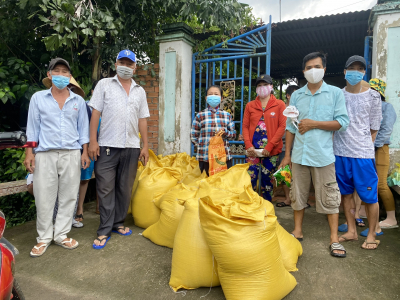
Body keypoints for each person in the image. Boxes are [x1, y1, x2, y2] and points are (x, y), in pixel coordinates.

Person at [279, 52, 349, 258]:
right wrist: (287, 155)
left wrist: (313, 123)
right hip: (300, 155)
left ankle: (334, 239)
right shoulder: (297, 96)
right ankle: (297, 231)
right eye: (308, 68)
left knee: (330, 197)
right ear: (303, 71)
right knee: (297, 194)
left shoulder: (335, 93)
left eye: (316, 66)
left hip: (323, 156)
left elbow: (342, 123)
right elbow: (290, 128)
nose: (312, 71)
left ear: (324, 69)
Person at [24, 58, 90, 257]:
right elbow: (32, 128)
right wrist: (29, 153)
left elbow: (83, 130)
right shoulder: (38, 98)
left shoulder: (78, 101)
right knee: (43, 195)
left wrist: (85, 152)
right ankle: (43, 238)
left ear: (69, 77)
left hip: (71, 153)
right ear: (49, 75)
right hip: (45, 153)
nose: (61, 75)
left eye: (65, 72)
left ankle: (61, 235)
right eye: (57, 71)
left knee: (69, 195)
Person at [88, 50, 150, 249]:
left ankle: (118, 223)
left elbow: (143, 120)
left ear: (134, 67)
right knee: (105, 188)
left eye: (129, 63)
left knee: (124, 188)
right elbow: (95, 113)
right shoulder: (104, 85)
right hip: (106, 145)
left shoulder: (140, 91)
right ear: (116, 64)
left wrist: (146, 145)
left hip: (131, 147)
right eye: (122, 62)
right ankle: (104, 229)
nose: (125, 66)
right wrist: (92, 141)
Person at [333, 55, 382, 250]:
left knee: (370, 197)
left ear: (364, 72)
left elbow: (375, 126)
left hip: (362, 155)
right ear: (345, 72)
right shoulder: (338, 95)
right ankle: (352, 230)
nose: (355, 71)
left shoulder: (373, 95)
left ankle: (371, 234)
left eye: (359, 68)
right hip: (340, 152)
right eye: (351, 68)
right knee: (345, 194)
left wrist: (364, 145)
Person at [43, 75, 88, 228]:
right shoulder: (43, 101)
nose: (69, 89)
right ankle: (52, 222)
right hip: (48, 152)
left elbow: (83, 130)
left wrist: (85, 151)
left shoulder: (79, 104)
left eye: (72, 88)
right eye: (70, 87)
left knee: (71, 188)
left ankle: (68, 220)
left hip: (72, 150)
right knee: (52, 189)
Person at [242, 74, 286, 201]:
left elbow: (282, 127)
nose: (262, 88)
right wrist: (248, 145)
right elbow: (245, 126)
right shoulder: (250, 105)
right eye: (259, 85)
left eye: (265, 85)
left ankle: (267, 206)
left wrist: (269, 146)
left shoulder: (279, 104)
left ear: (271, 86)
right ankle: (250, 206)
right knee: (250, 179)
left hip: (270, 151)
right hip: (252, 150)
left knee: (268, 181)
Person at [370, 78, 397, 230]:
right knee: (366, 182)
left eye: (373, 91)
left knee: (381, 184)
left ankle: (391, 218)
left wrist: (373, 144)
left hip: (380, 148)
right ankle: (364, 211)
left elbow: (386, 130)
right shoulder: (368, 107)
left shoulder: (387, 107)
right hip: (368, 149)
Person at [190, 85, 236, 176]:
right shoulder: (200, 115)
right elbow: (193, 135)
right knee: (206, 185)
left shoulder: (226, 115)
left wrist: (225, 132)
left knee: (223, 184)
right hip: (205, 157)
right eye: (210, 94)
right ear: (206, 98)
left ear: (221, 98)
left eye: (216, 94)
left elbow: (233, 135)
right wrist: (202, 146)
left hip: (223, 158)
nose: (213, 96)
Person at [75, 80, 101, 225]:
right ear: (92, 92)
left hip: (100, 148)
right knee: (78, 179)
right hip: (82, 147)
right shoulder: (84, 105)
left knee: (94, 177)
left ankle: (92, 207)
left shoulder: (107, 107)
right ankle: (77, 210)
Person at [276, 85, 307, 207]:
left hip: (300, 145)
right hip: (284, 145)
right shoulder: (282, 109)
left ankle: (299, 200)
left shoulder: (301, 109)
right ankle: (288, 199)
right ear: (288, 96)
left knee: (300, 174)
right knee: (284, 172)